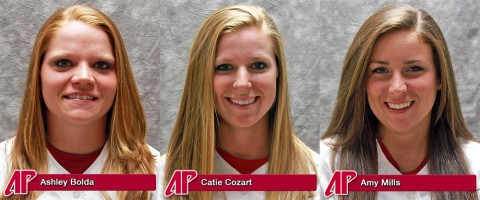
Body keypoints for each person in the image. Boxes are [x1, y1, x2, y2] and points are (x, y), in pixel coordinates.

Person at [0, 5, 163, 200]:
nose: (84, 77)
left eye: (101, 65)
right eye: (63, 63)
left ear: (120, 79)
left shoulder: (158, 174)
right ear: (38, 75)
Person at [319, 3, 480, 200]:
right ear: (361, 81)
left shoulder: (475, 166)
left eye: (414, 69)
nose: (397, 88)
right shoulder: (328, 163)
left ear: (440, 78)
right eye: (380, 70)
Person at [162, 4, 320, 199]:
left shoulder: (322, 179)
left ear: (278, 74)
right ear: (201, 78)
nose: (243, 84)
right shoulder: (159, 180)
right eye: (224, 67)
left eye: (258, 65)